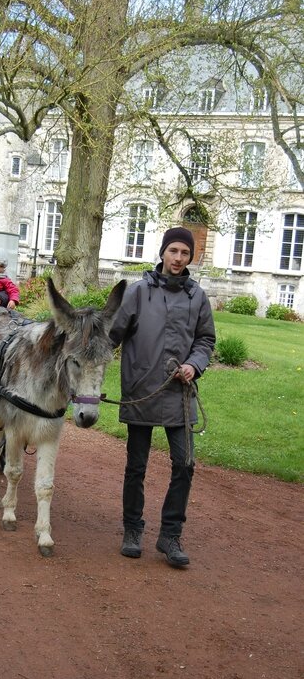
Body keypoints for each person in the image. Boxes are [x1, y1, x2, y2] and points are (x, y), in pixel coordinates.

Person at [109, 226, 216, 568]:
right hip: (141, 390)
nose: (178, 258)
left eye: (185, 253)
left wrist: (194, 364)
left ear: (191, 258)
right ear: (163, 253)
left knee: (185, 464)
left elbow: (205, 340)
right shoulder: (139, 292)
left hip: (180, 393)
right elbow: (112, 335)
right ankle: (132, 529)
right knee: (136, 466)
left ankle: (170, 535)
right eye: (174, 251)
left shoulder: (197, 297)